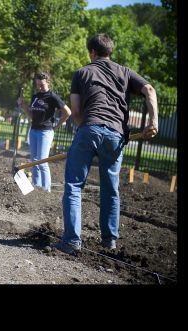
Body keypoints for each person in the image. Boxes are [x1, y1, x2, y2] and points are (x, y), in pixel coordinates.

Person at [55, 33, 158, 254]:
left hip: (90, 127)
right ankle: (109, 241)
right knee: (110, 189)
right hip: (116, 135)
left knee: (73, 186)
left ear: (92, 52)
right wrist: (153, 122)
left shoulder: (82, 73)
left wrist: (87, 132)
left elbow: (76, 113)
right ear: (110, 51)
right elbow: (149, 90)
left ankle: (72, 241)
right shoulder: (125, 72)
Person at [17, 72, 71, 192]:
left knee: (42, 160)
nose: (40, 87)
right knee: (34, 160)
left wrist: (57, 125)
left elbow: (67, 112)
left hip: (45, 132)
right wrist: (23, 105)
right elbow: (31, 115)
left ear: (47, 83)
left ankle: (47, 189)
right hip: (34, 130)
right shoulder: (35, 96)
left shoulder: (52, 97)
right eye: (38, 84)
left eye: (42, 84)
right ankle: (37, 186)